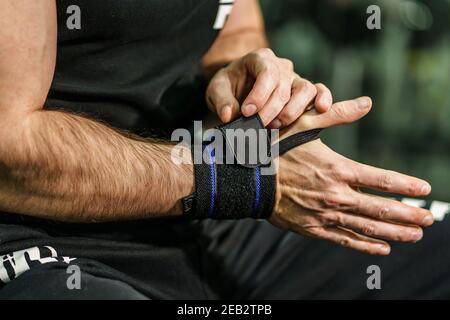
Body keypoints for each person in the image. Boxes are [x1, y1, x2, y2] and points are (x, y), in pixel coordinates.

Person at [0, 0, 448, 299]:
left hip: (204, 222)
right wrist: (243, 179)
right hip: (40, 238)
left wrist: (245, 90)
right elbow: (9, 152)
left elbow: (235, 30)